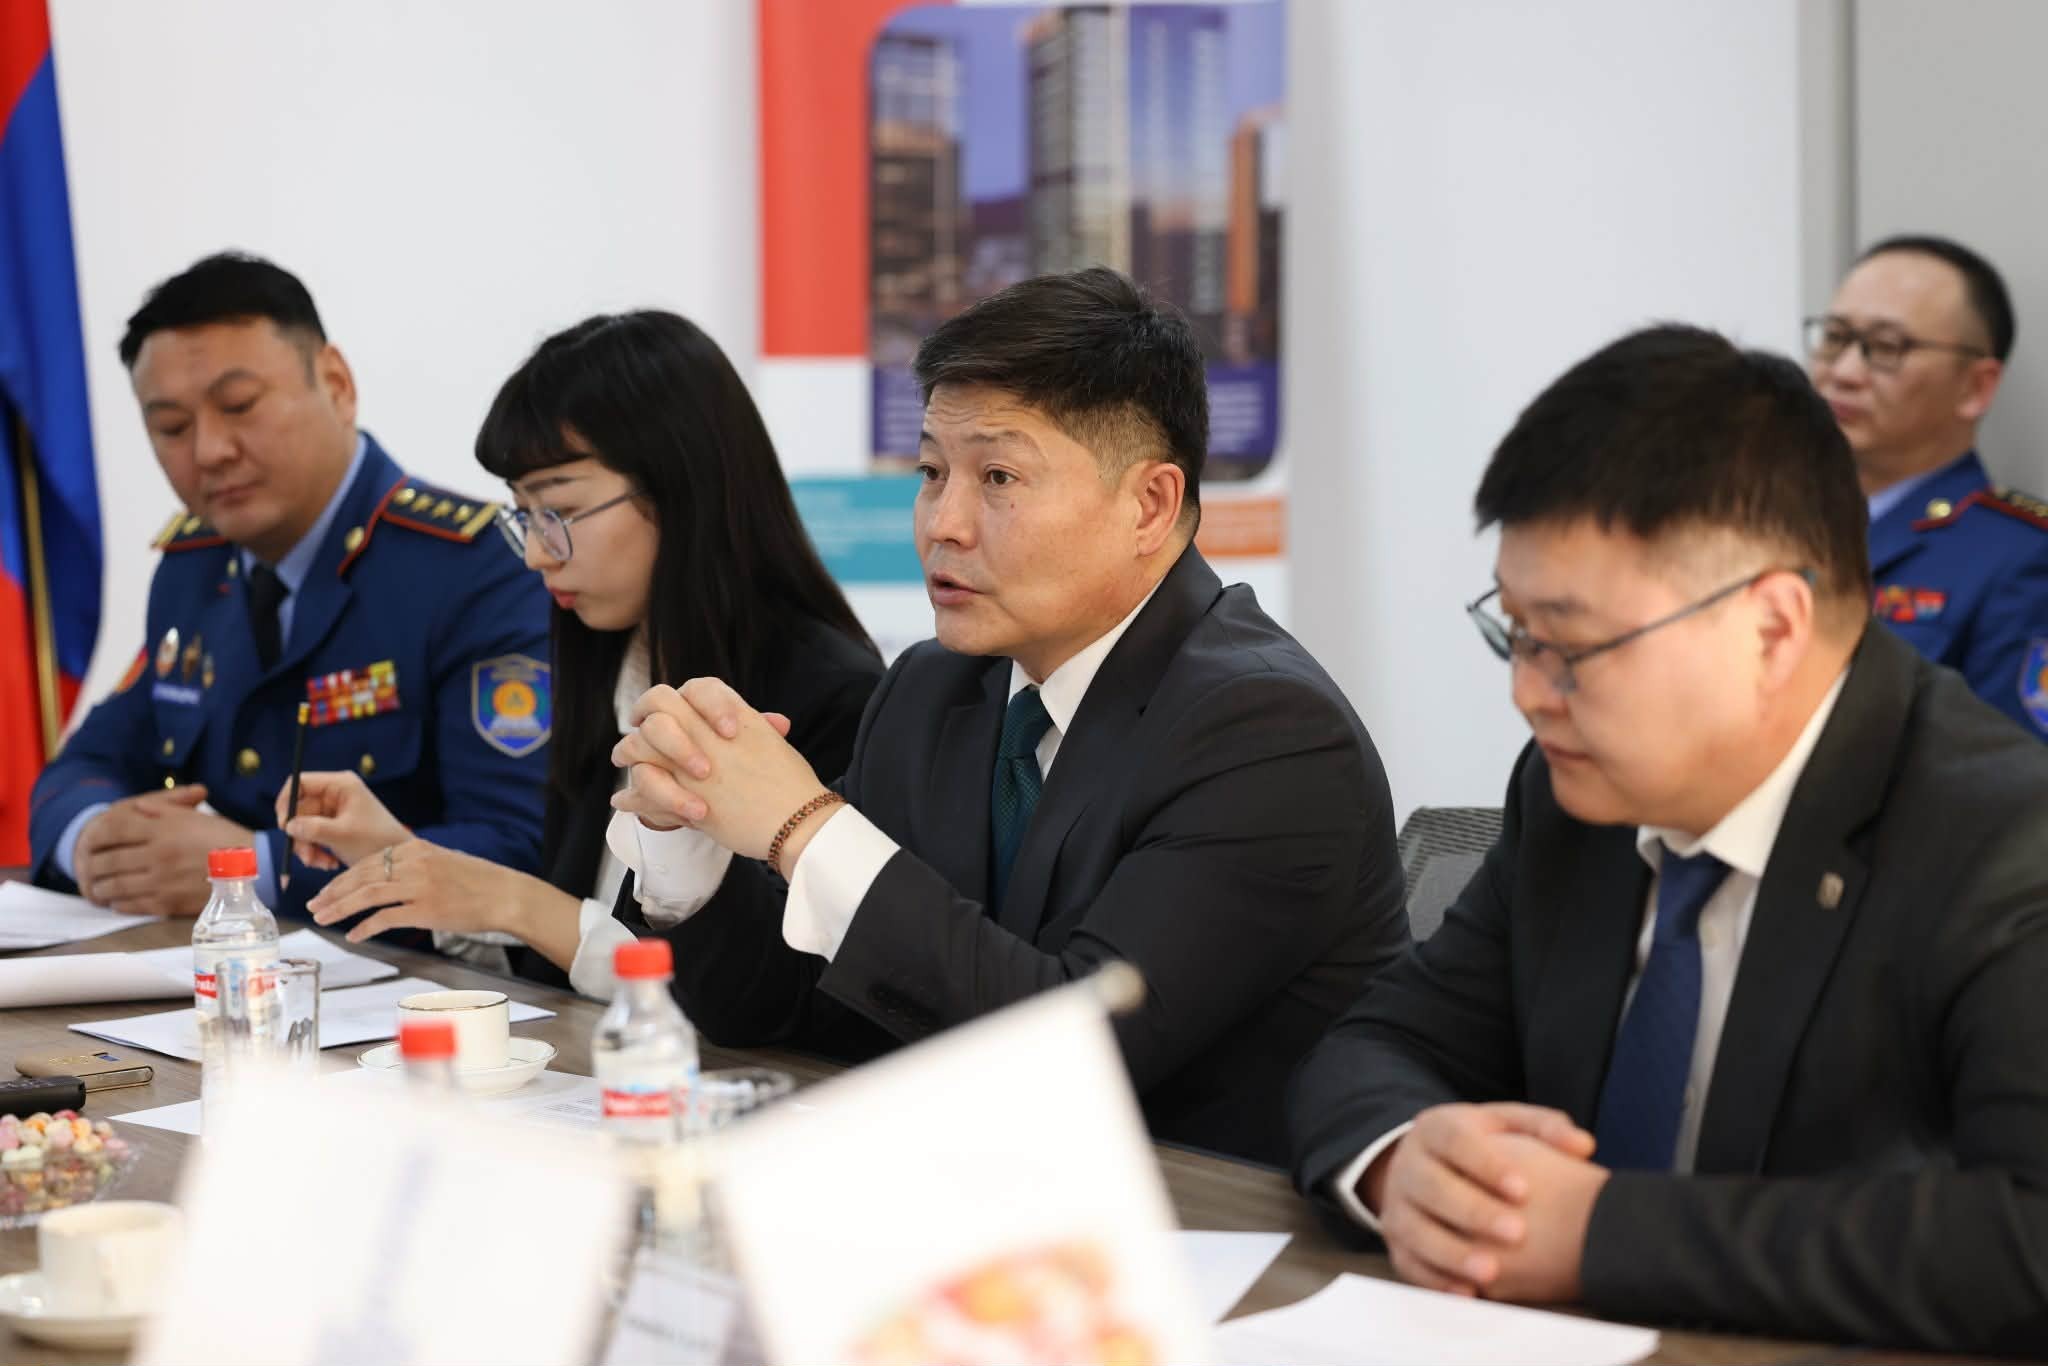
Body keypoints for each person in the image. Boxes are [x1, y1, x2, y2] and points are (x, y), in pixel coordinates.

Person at [1287, 324, 2048, 1355]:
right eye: (1515, 633)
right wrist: (1402, 1161)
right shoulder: (1573, 796)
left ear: (1771, 628)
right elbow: (1380, 1041)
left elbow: (2024, 1235)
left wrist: (1600, 1234)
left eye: (1570, 645)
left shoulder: (2001, 841)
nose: (1527, 694)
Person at [603, 268, 1409, 1166]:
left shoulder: (1268, 732)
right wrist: (691, 835)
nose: (942, 523)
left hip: (1201, 1222)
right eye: (931, 472)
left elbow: (1072, 1055)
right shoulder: (932, 688)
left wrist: (804, 827)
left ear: (1149, 505)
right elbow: (783, 1008)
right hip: (962, 1194)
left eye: (997, 476)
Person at [287, 311, 882, 994]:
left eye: (560, 513)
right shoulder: (608, 661)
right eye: (523, 516)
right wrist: (401, 859)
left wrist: (517, 903)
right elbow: (566, 960)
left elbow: (768, 1003)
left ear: (681, 489)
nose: (537, 554)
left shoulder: (834, 698)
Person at [27, 253, 549, 928]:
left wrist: (257, 868)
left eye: (239, 406)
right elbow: (86, 765)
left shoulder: (476, 570)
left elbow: (515, 850)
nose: (210, 450)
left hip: (419, 983)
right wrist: (95, 843)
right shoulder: (193, 569)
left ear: (336, 384)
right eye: (173, 427)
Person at [1807, 234, 2048, 737]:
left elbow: (2014, 769)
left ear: (1975, 386)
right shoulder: (1768, 523)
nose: (1844, 372)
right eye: (1835, 337)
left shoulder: (2021, 559)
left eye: (1887, 348)